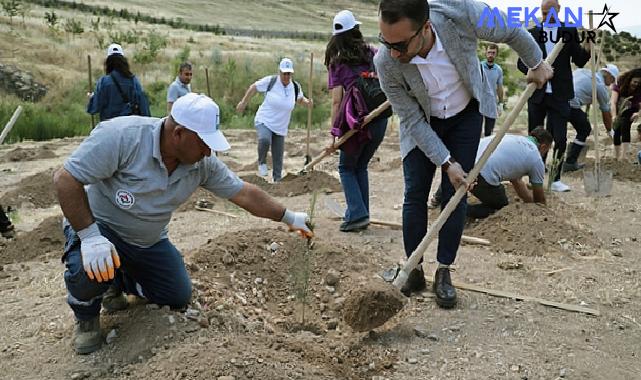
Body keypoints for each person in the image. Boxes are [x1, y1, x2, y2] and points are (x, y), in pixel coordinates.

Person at [53, 93, 312, 354]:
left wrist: (289, 217)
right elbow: (65, 179)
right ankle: (86, 316)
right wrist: (90, 236)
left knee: (176, 295)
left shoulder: (202, 164)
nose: (209, 151)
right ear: (178, 133)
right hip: (101, 229)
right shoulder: (122, 136)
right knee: (87, 270)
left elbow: (244, 193)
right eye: (203, 143)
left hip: (147, 241)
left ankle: (116, 281)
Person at [375, 0, 552, 307]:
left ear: (426, 27)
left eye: (400, 45)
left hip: (465, 115)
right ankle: (413, 269)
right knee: (415, 193)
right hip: (423, 123)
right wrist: (445, 161)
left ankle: (444, 270)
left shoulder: (461, 13)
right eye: (385, 42)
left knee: (456, 193)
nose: (392, 53)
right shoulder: (385, 61)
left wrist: (537, 63)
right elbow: (412, 119)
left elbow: (510, 31)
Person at [324, 10, 389, 232]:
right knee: (360, 166)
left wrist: (335, 136)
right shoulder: (373, 53)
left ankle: (357, 214)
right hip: (379, 120)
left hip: (356, 123)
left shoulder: (337, 64)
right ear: (356, 30)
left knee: (346, 168)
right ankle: (360, 213)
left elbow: (336, 101)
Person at [516, 0, 590, 192]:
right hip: (537, 93)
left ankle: (555, 179)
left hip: (560, 93)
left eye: (550, 11)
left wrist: (588, 45)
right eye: (543, 11)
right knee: (534, 139)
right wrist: (534, 70)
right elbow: (520, 63)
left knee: (560, 137)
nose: (546, 15)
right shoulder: (532, 33)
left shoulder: (569, 31)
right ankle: (536, 177)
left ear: (559, 10)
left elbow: (580, 60)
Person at [236, 58, 313, 182]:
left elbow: (299, 99)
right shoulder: (270, 81)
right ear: (279, 72)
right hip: (264, 120)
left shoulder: (295, 87)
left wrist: (308, 103)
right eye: (284, 73)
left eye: (289, 74)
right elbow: (253, 87)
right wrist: (243, 102)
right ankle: (262, 162)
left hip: (281, 126)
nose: (286, 76)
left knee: (278, 157)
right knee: (264, 139)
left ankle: (277, 182)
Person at [467, 127, 551, 219]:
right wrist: (544, 215)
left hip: (464, 164)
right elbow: (540, 199)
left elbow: (517, 182)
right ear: (543, 147)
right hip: (482, 174)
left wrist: (530, 205)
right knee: (501, 209)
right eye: (545, 151)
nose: (543, 155)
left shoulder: (513, 139)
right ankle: (461, 212)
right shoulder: (536, 159)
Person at [563, 64, 617, 172]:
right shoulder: (600, 86)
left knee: (556, 131)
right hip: (571, 104)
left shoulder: (582, 72)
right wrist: (610, 130)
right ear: (609, 75)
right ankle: (570, 162)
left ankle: (545, 161)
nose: (611, 83)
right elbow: (606, 112)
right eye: (612, 80)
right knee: (585, 129)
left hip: (556, 100)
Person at [87, 43, 151, 122]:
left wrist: (92, 98)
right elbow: (143, 105)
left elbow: (94, 108)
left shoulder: (103, 82)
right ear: (123, 61)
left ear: (108, 62)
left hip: (110, 126)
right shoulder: (133, 80)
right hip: (129, 125)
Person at [611, 68, 641, 161]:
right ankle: (616, 155)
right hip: (618, 108)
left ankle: (624, 156)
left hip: (632, 109)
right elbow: (613, 101)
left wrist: (638, 114)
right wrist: (614, 116)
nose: (636, 84)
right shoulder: (620, 84)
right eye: (635, 82)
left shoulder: (639, 89)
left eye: (638, 83)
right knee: (617, 130)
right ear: (629, 79)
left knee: (625, 126)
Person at [480, 43, 505, 136]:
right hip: (479, 102)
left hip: (491, 103)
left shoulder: (498, 69)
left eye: (493, 53)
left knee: (488, 132)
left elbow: (499, 87)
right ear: (486, 53)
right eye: (489, 52)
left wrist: (501, 103)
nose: (491, 55)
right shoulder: (480, 66)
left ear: (496, 54)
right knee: (475, 130)